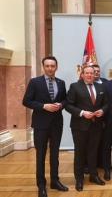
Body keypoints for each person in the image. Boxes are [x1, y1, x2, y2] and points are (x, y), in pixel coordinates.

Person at [23, 56, 68, 197]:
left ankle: (55, 181)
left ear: (56, 67)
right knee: (40, 155)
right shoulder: (35, 82)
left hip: (56, 125)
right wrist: (43, 106)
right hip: (40, 125)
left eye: (52, 66)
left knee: (55, 155)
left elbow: (65, 100)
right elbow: (26, 101)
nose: (50, 68)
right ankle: (41, 185)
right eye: (47, 66)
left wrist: (61, 105)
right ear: (43, 67)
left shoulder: (61, 83)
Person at [65, 65, 108, 191]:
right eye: (87, 73)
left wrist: (102, 110)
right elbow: (68, 105)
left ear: (95, 75)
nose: (90, 75)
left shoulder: (101, 87)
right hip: (80, 127)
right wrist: (82, 113)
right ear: (82, 74)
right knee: (80, 153)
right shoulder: (75, 86)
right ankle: (79, 179)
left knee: (93, 152)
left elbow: (106, 104)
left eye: (92, 73)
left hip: (96, 126)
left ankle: (93, 176)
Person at [93, 64, 107, 169]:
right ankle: (89, 165)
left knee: (103, 142)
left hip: (104, 118)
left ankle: (102, 163)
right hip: (89, 118)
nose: (96, 72)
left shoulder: (106, 82)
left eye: (98, 71)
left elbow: (108, 100)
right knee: (91, 144)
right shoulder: (86, 83)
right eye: (94, 71)